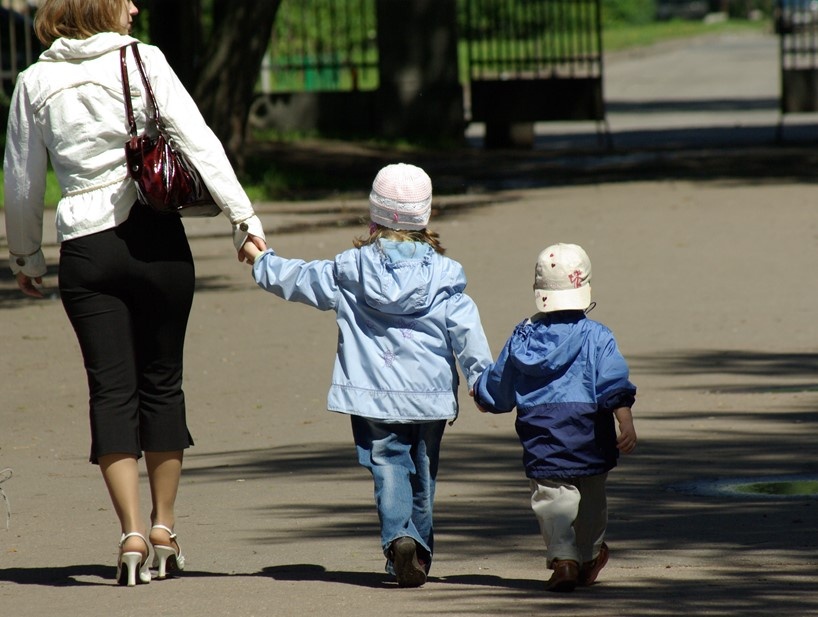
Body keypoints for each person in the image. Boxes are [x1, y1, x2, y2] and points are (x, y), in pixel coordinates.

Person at [3, 0, 266, 586]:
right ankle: (164, 527)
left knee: (110, 391)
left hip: (86, 249)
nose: (136, 6)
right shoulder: (144, 60)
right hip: (157, 239)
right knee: (162, 383)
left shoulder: (34, 81)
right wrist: (243, 220)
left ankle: (129, 534)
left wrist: (26, 255)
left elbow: (21, 181)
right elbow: (199, 141)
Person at [242, 163, 492, 587]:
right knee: (423, 471)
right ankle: (419, 552)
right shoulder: (445, 276)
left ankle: (399, 539)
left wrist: (262, 261)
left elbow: (300, 278)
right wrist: (481, 379)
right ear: (426, 215)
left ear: (375, 213)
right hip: (429, 396)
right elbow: (467, 330)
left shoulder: (351, 271)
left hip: (373, 394)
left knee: (388, 463)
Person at [472, 242, 637, 592]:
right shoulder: (598, 336)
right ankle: (589, 554)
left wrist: (485, 396)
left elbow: (500, 383)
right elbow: (613, 381)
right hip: (591, 433)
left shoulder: (523, 338)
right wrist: (625, 420)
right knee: (592, 501)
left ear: (539, 291)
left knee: (552, 499)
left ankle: (564, 558)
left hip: (542, 433)